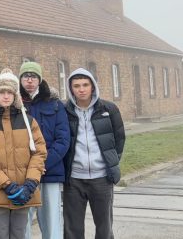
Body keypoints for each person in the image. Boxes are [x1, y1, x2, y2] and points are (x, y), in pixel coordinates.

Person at [0, 69, 46, 239]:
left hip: (24, 189)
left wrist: (30, 183)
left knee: (19, 234)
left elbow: (39, 153)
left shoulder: (29, 121)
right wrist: (7, 185)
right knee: (0, 235)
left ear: (15, 95)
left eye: (9, 92)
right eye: (1, 92)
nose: (6, 96)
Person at [63, 68, 125, 239]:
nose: (81, 89)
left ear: (92, 86)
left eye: (85, 85)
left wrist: (111, 161)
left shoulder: (109, 109)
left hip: (102, 178)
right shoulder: (64, 110)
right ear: (71, 89)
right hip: (74, 179)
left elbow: (119, 138)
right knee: (72, 229)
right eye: (76, 86)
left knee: (104, 228)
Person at [18, 62, 70, 239]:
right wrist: (29, 167)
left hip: (50, 171)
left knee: (51, 222)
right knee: (22, 223)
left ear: (40, 80)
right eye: (26, 76)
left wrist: (42, 164)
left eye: (33, 76)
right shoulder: (15, 105)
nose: (29, 80)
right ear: (20, 79)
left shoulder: (55, 104)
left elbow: (63, 139)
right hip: (23, 173)